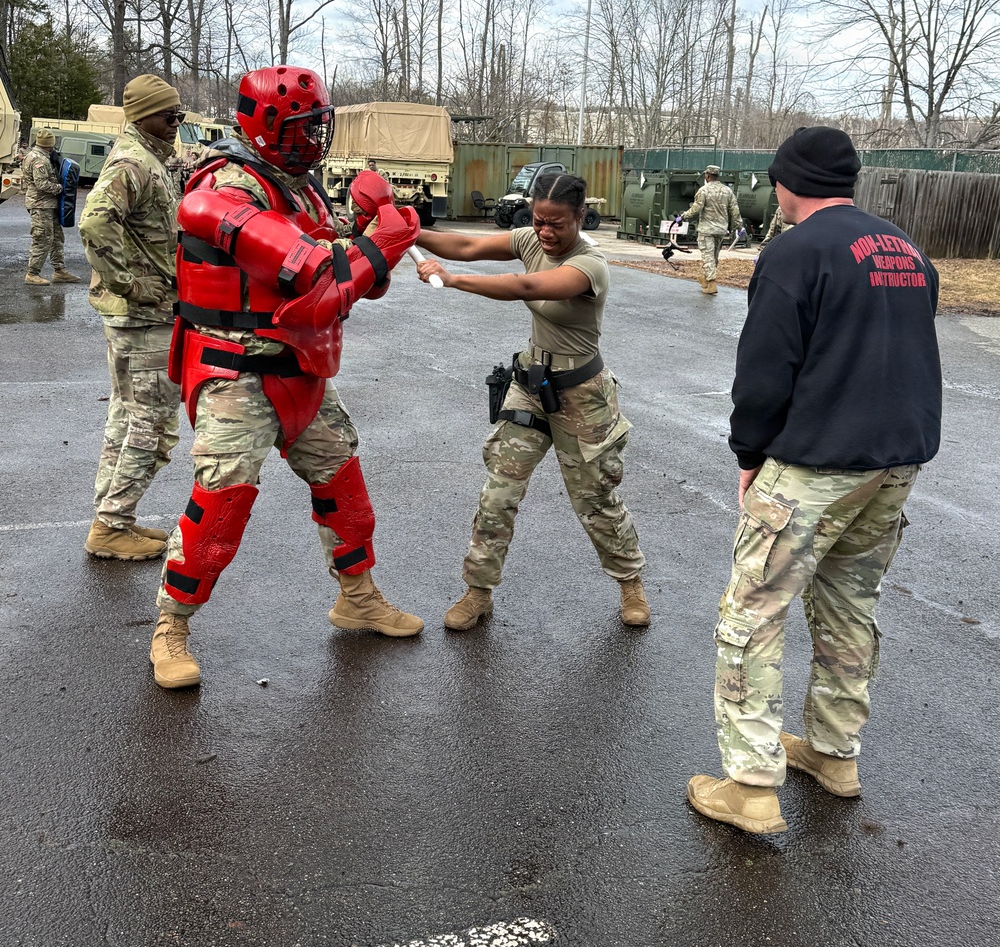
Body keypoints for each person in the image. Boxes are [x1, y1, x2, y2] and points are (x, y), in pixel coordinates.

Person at [686, 127, 941, 835]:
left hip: (816, 466)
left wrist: (750, 454)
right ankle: (834, 754)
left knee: (753, 611)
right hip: (894, 465)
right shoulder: (908, 250)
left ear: (787, 182)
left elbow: (765, 369)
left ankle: (752, 784)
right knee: (850, 605)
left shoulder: (793, 251)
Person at [150, 65, 423, 689]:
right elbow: (318, 281)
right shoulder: (227, 189)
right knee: (221, 504)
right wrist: (383, 243)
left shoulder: (301, 188)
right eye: (299, 127)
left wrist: (374, 234)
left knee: (343, 486)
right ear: (265, 124)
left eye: (315, 125)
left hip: (299, 365)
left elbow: (358, 283)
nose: (311, 140)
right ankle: (172, 625)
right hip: (235, 369)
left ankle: (356, 595)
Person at [416, 172, 649, 630]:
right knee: (498, 492)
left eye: (557, 223)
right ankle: (477, 592)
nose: (545, 231)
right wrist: (407, 229)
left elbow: (527, 288)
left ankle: (630, 583)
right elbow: (464, 245)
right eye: (540, 220)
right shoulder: (530, 239)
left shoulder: (590, 265)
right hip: (530, 383)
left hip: (582, 395)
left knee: (594, 500)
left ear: (580, 217)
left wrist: (452, 280)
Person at [79, 76, 183, 561]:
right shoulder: (133, 162)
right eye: (170, 117)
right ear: (143, 116)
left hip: (139, 318)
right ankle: (112, 526)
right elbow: (96, 221)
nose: (176, 125)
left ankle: (114, 517)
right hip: (144, 318)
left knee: (126, 418)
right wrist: (129, 283)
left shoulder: (148, 160)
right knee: (154, 425)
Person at [22, 128, 80, 286]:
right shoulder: (38, 159)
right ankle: (32, 274)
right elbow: (41, 184)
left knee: (56, 239)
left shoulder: (43, 156)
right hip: (41, 205)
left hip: (49, 205)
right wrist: (61, 188)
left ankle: (59, 271)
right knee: (42, 239)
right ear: (49, 144)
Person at [679, 165, 742, 294]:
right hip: (721, 229)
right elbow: (735, 211)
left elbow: (696, 209)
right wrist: (739, 226)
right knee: (713, 257)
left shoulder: (703, 191)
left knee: (708, 256)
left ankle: (712, 284)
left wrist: (683, 216)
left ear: (707, 176)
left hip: (707, 229)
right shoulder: (727, 191)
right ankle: (706, 280)